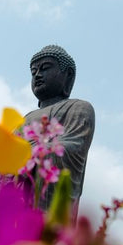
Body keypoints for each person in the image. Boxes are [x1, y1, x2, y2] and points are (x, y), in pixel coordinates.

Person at [24, 44, 95, 216]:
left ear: (68, 75)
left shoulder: (79, 107)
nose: (38, 75)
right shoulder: (25, 118)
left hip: (44, 193)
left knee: (50, 155)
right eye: (33, 72)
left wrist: (32, 151)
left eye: (45, 68)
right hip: (19, 188)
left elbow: (73, 146)